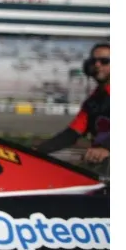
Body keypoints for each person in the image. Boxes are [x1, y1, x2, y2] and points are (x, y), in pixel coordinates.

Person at [36, 43, 110, 176]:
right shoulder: (93, 101)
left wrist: (107, 148)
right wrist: (35, 152)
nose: (97, 65)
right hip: (98, 158)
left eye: (105, 61)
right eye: (94, 61)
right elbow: (71, 134)